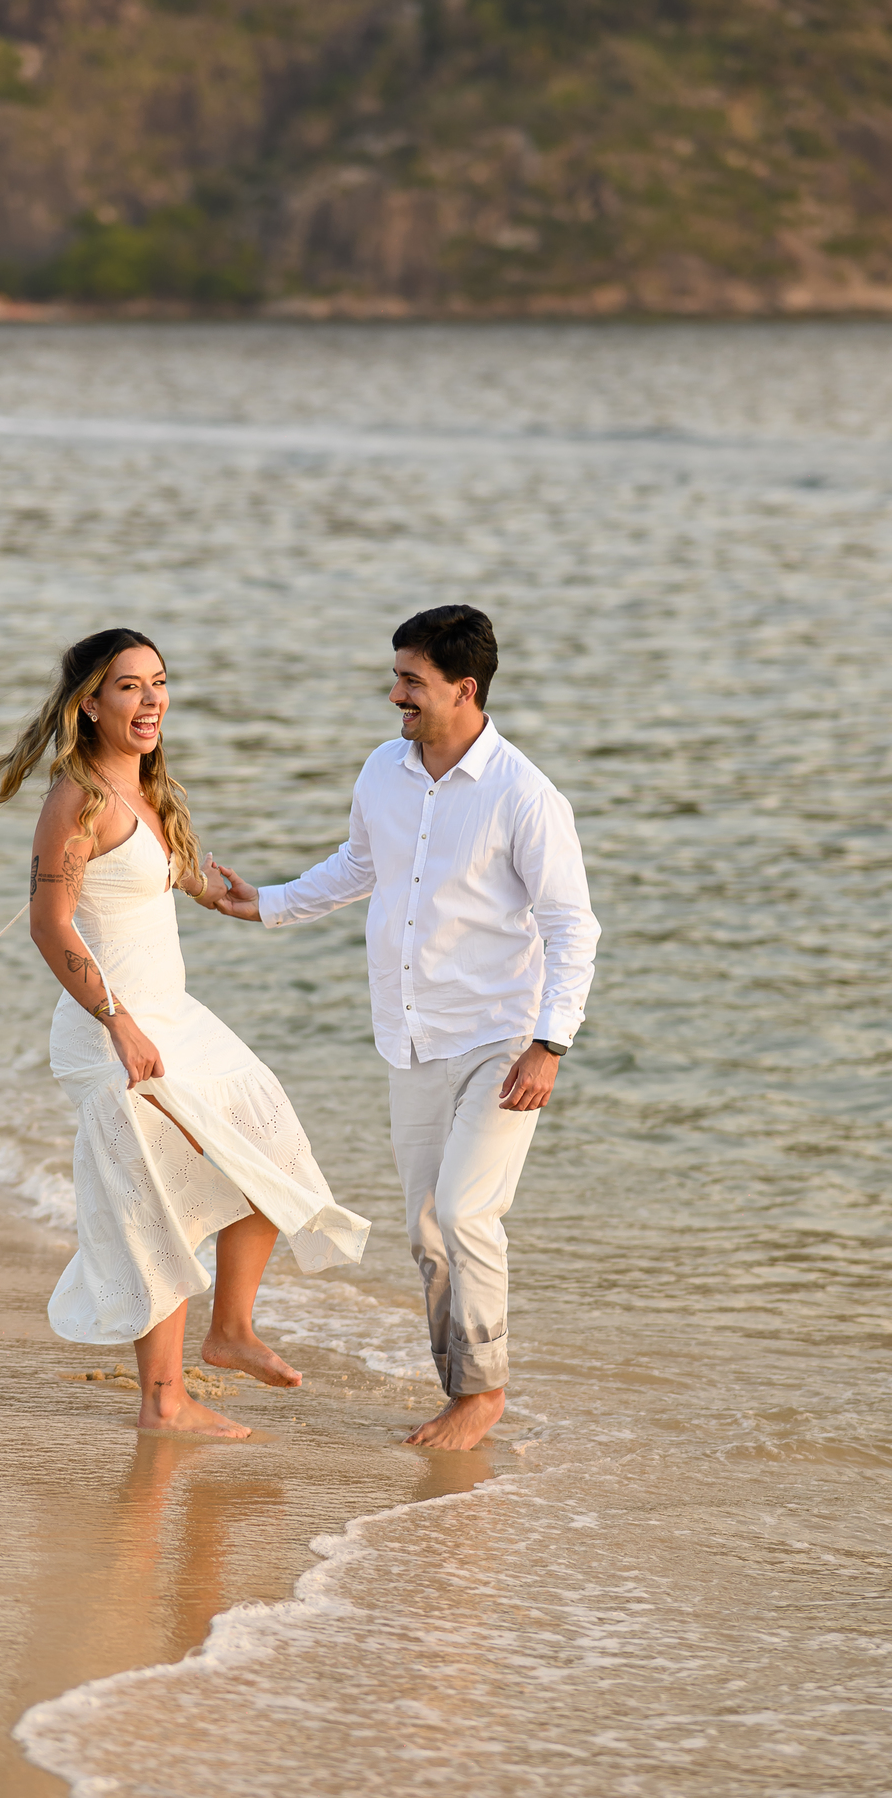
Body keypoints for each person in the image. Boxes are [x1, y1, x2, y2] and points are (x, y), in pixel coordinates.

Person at [0, 627, 369, 1440]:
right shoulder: (79, 800)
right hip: (113, 1030)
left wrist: (238, 896)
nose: (151, 701)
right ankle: (164, 1400)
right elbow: (50, 925)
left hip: (175, 1018)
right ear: (90, 705)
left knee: (268, 1145)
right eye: (130, 687)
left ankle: (230, 1331)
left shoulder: (147, 791)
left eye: (159, 683)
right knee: (155, 1202)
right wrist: (117, 1022)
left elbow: (169, 872)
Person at [215, 605, 599, 1450]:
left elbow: (574, 928)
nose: (396, 695)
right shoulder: (383, 772)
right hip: (412, 1035)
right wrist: (266, 903)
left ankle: (484, 1395)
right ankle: (458, 1386)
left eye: (411, 681)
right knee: (426, 1229)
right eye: (397, 677)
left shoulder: (526, 797)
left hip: (502, 1039)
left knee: (466, 1213)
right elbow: (360, 867)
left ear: (464, 690)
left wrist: (549, 1044)